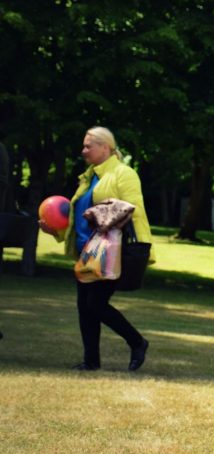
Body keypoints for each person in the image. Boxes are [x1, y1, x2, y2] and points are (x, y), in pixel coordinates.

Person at [39, 127, 154, 372]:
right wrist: (57, 232)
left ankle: (137, 342)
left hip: (112, 251)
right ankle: (91, 361)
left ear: (106, 147)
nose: (83, 151)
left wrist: (100, 214)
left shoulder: (124, 173)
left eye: (88, 146)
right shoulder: (88, 177)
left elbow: (134, 209)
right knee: (85, 307)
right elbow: (79, 219)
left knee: (96, 304)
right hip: (88, 252)